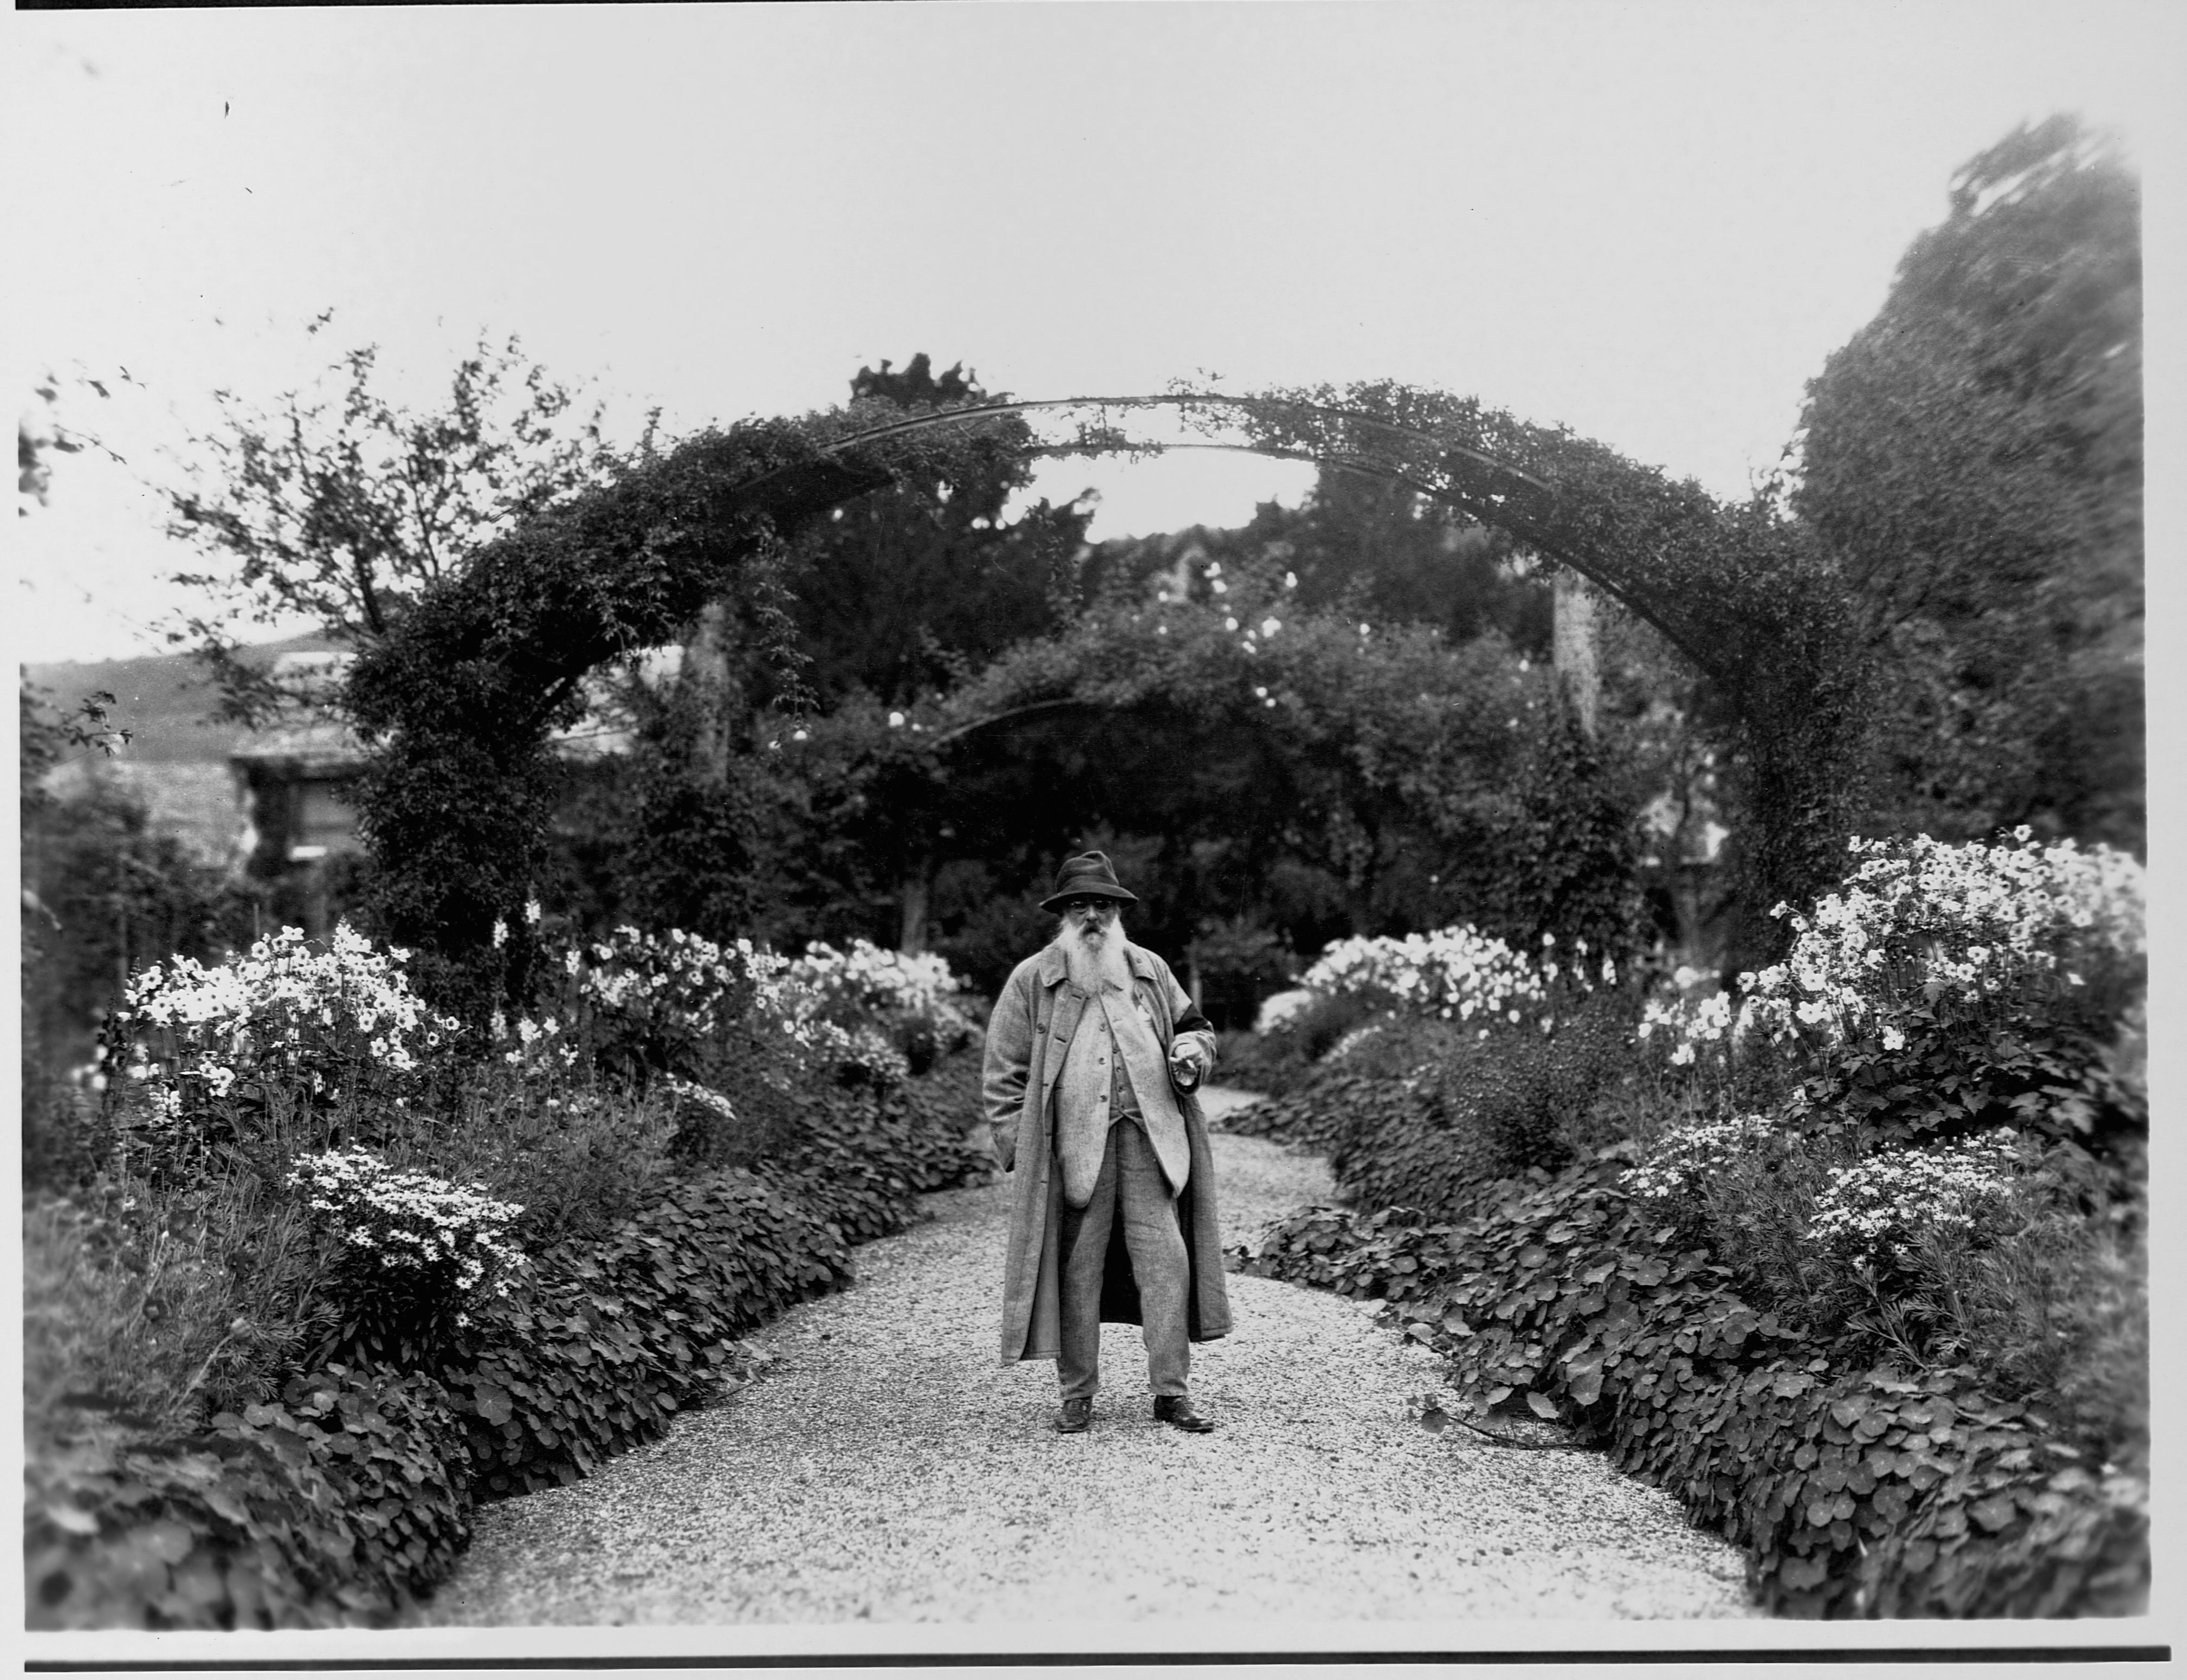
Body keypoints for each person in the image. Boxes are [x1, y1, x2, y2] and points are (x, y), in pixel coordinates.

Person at [983, 850, 1232, 1433]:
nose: (1091, 915)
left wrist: (1193, 1055)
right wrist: (1016, 1146)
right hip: (1074, 1151)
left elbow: (1196, 1028)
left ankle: (1171, 1392)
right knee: (1078, 1270)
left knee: (1168, 1263)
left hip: (1150, 1142)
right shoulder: (1034, 978)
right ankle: (1077, 1395)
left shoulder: (1147, 968)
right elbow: (1002, 1071)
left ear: (1118, 910)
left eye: (1101, 904)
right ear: (1063, 914)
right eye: (1078, 905)